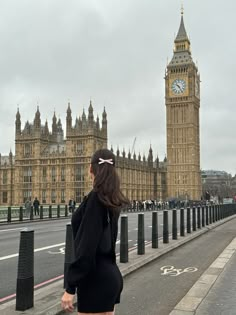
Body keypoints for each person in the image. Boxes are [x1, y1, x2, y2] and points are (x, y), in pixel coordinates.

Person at [61, 148, 129, 315]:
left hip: (95, 281)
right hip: (111, 277)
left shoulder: (96, 199)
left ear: (91, 169)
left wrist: (70, 287)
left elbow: (86, 248)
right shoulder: (111, 198)